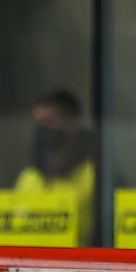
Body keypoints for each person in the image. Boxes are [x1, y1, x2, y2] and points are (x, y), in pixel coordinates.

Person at [15, 88, 95, 245]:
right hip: (31, 265)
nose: (42, 129)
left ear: (71, 122)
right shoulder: (30, 176)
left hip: (80, 265)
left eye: (48, 122)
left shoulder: (95, 174)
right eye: (38, 123)